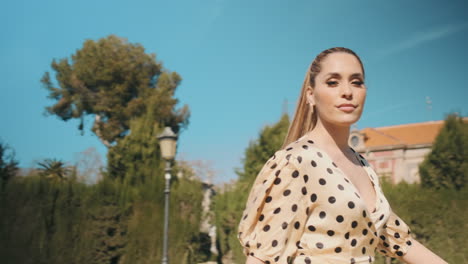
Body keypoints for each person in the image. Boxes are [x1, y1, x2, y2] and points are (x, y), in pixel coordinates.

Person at [237, 47, 447, 264]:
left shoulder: (364, 166)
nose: (348, 91)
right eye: (333, 82)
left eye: (356, 82)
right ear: (311, 95)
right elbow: (262, 257)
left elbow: (400, 242)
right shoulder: (297, 161)